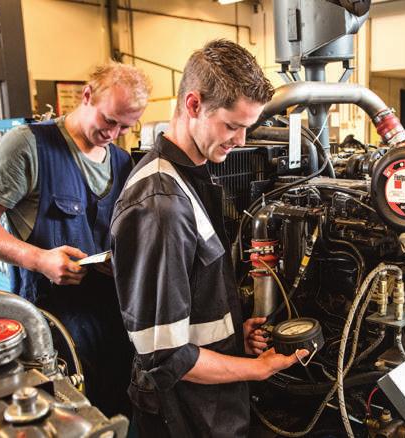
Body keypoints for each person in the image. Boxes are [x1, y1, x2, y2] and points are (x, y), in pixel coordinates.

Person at [110, 39, 308, 437]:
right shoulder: (161, 204)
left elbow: (194, 300)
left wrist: (235, 333)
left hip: (213, 407)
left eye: (246, 128)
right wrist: (258, 368)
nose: (240, 140)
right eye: (232, 126)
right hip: (182, 417)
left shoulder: (194, 177)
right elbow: (166, 356)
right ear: (194, 105)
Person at [0, 61, 151, 417]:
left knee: (117, 414)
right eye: (109, 120)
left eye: (126, 126)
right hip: (52, 327)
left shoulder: (123, 161)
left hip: (114, 321)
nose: (114, 133)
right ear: (87, 96)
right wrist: (39, 259)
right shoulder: (29, 146)